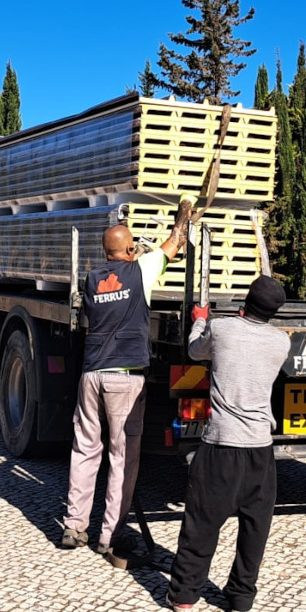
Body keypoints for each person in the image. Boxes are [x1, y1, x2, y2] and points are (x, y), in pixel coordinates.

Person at [60, 194, 195, 558]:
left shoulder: (92, 278)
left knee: (85, 449)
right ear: (131, 250)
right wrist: (183, 212)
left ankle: (74, 527)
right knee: (122, 456)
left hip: (91, 376)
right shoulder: (141, 271)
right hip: (125, 377)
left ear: (106, 253)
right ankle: (110, 536)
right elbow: (174, 241)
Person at [166, 274, 290, 612]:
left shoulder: (221, 330)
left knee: (201, 523)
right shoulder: (281, 343)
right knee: (255, 528)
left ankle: (184, 595)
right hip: (260, 450)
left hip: (221, 444)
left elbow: (195, 351)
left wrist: (200, 320)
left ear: (244, 303)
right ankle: (240, 597)